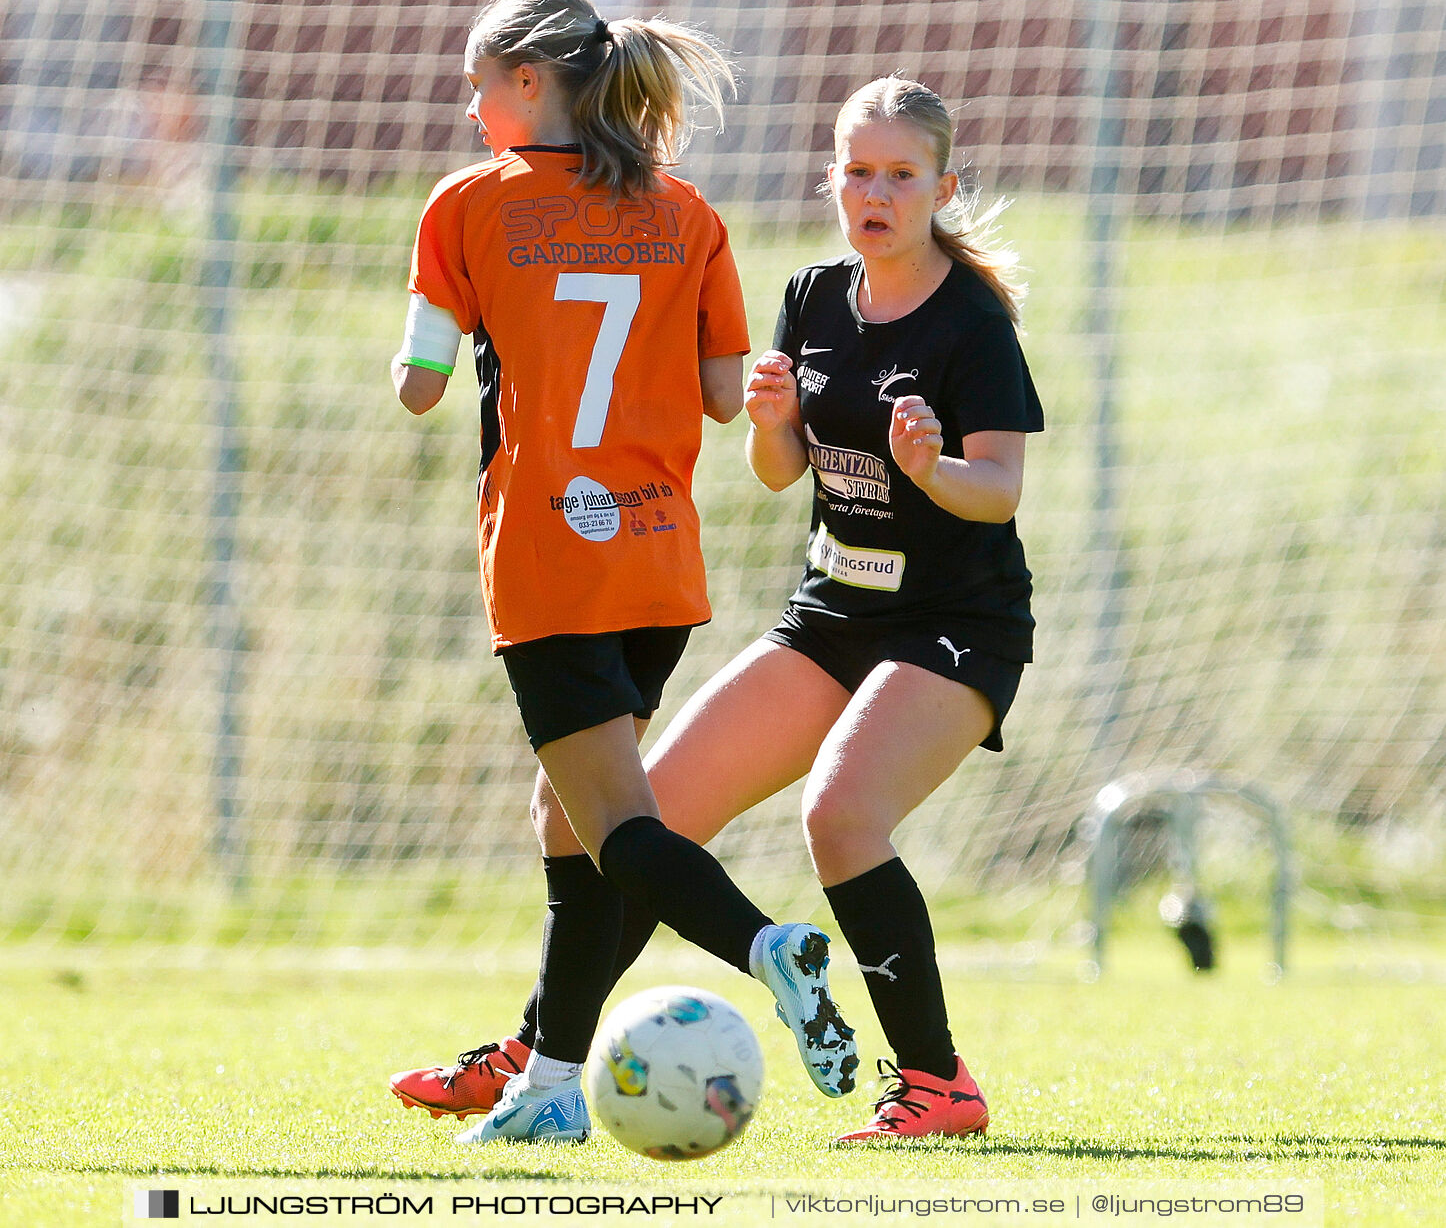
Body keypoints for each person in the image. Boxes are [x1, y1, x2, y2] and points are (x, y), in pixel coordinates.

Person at [392, 74, 1042, 1142]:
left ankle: (936, 1083)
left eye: (900, 175)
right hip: (832, 611)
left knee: (840, 816)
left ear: (942, 187)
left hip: (957, 622)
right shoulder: (813, 294)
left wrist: (933, 468)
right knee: (649, 821)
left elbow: (1001, 490)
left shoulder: (970, 321)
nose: (874, 193)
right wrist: (773, 421)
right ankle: (537, 1052)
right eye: (858, 171)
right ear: (834, 179)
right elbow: (780, 470)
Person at [390, 0, 858, 1146]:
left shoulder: (466, 207)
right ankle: (548, 1083)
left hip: (551, 549)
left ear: (533, 82)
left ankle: (767, 945)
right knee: (569, 814)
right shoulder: (688, 212)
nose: (470, 108)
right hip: (656, 557)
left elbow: (418, 387)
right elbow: (717, 393)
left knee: (612, 820)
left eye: (480, 84)